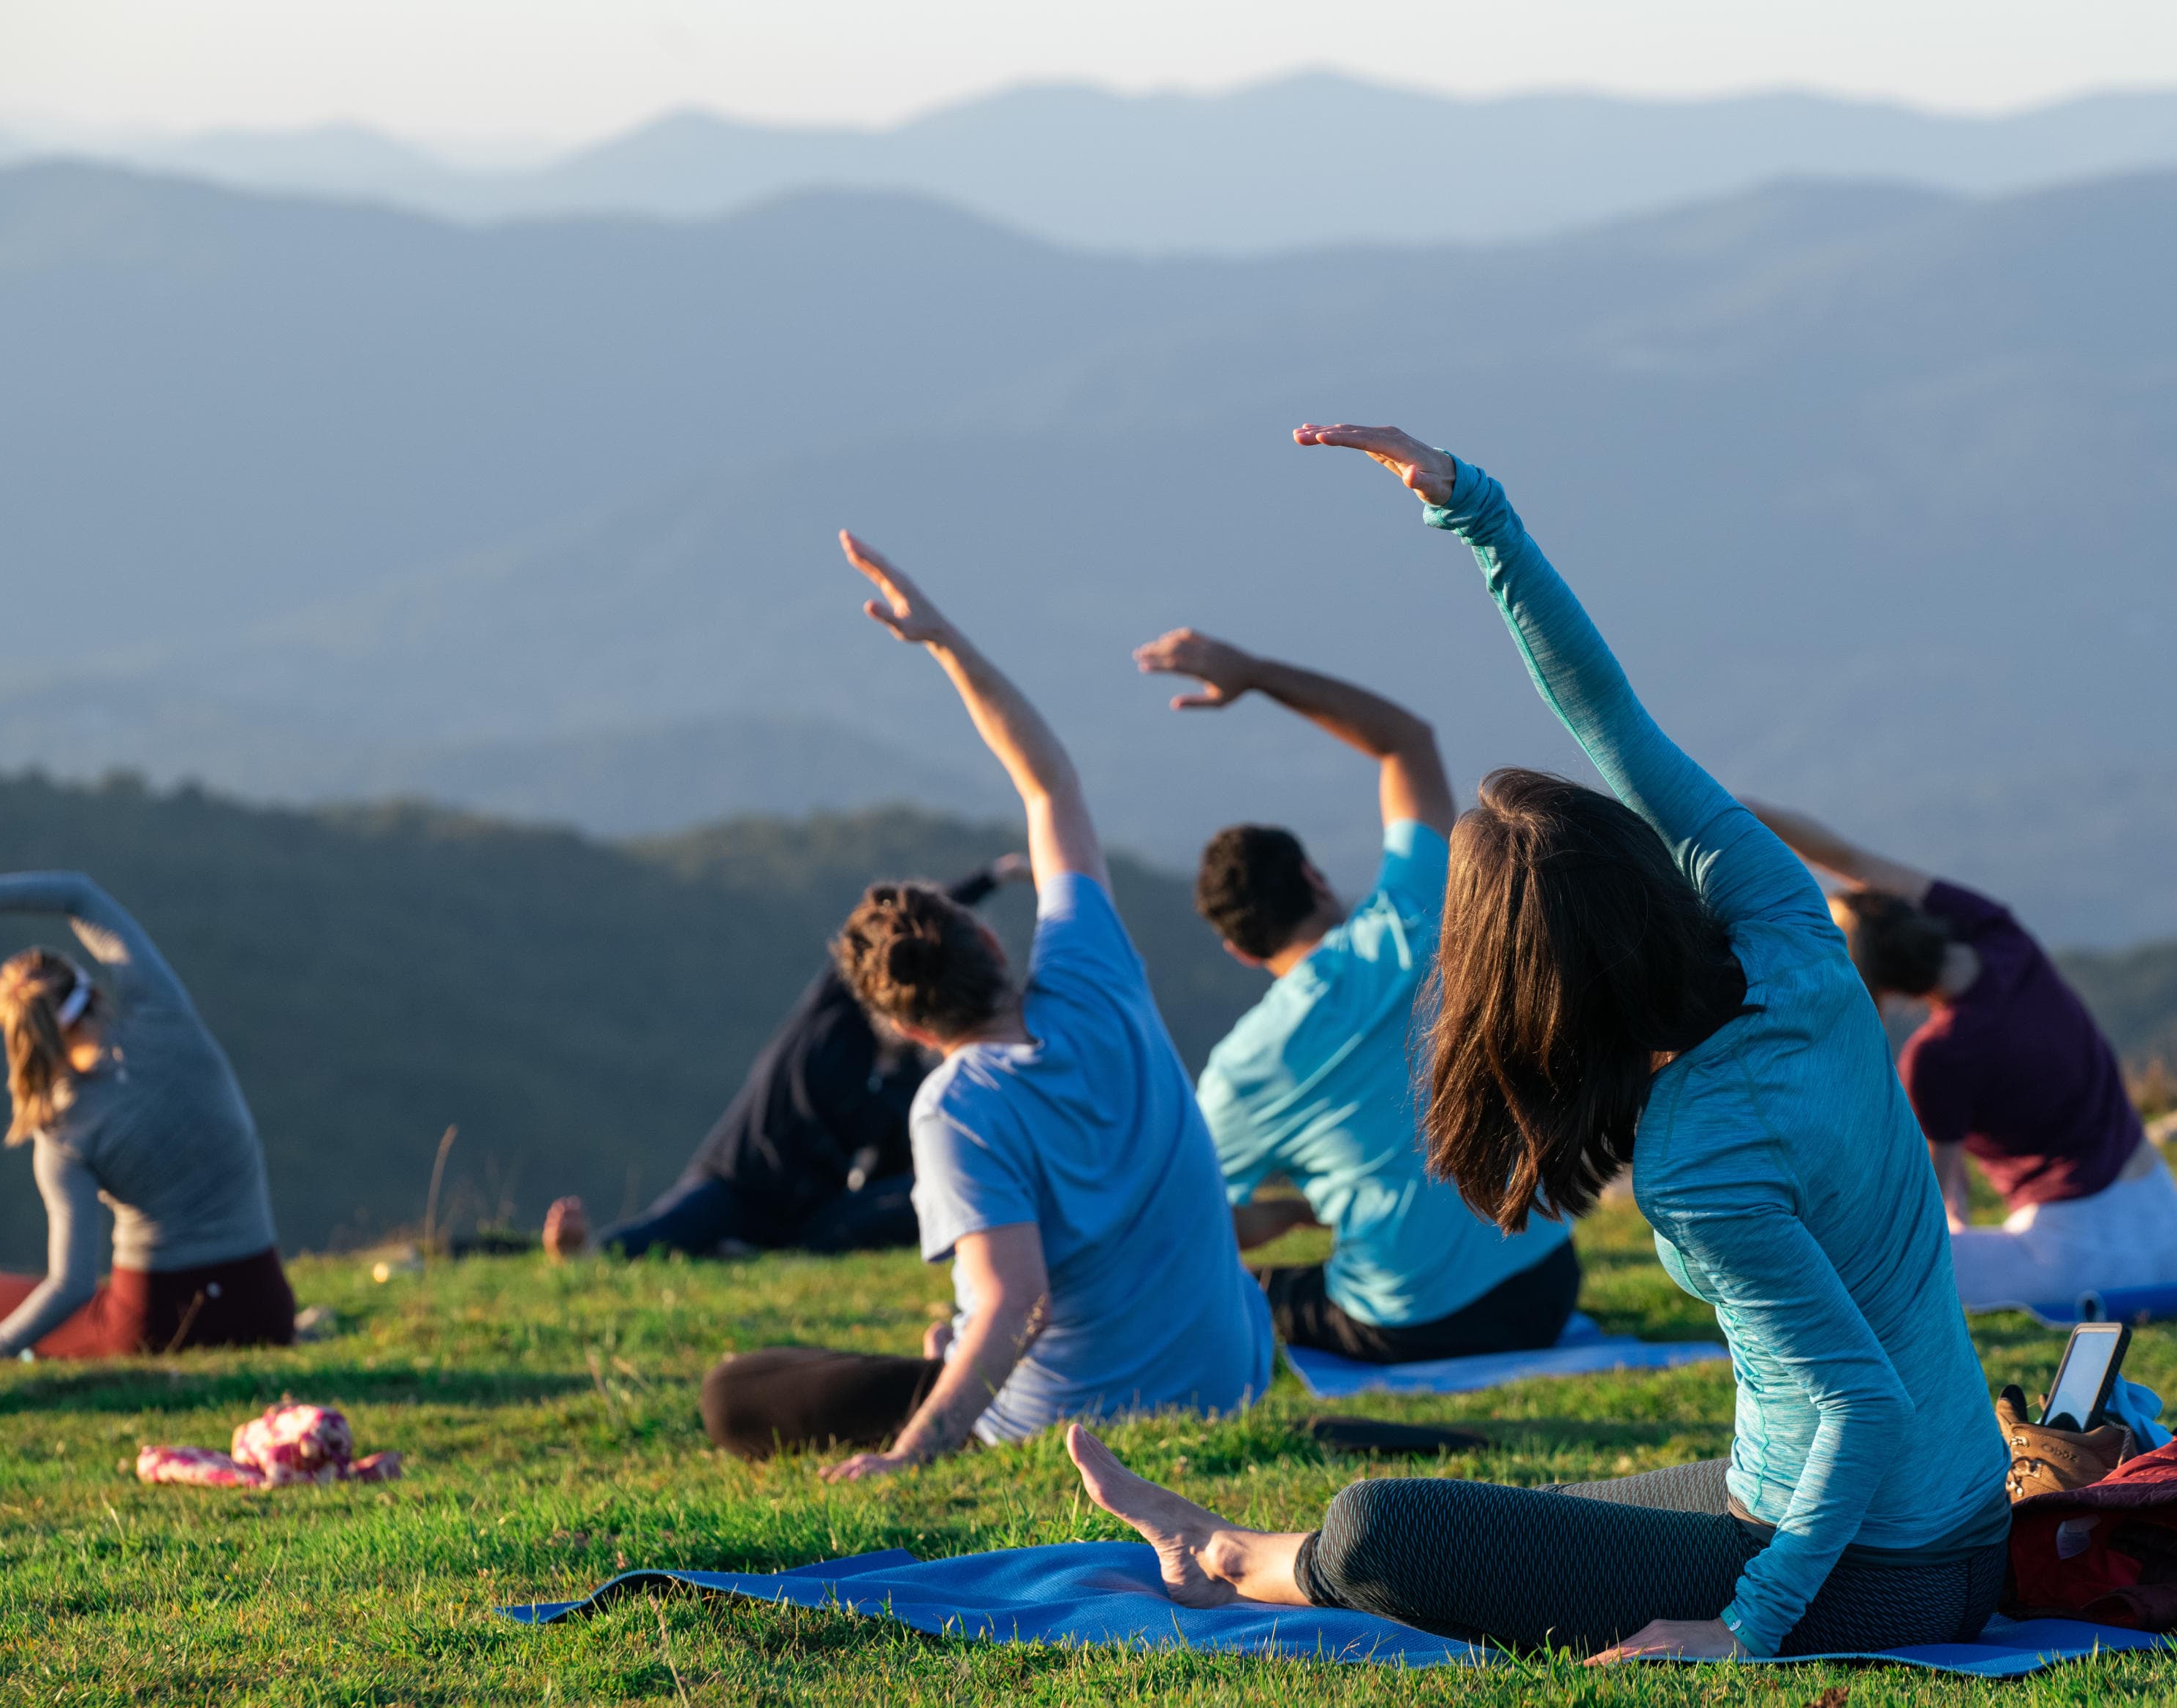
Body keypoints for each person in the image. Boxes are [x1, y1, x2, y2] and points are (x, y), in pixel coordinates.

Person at [1066, 424, 2010, 1667]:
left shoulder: (1704, 1157)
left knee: (1375, 1531)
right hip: (1898, 1504)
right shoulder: (1788, 928)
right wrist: (1477, 515)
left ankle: (1237, 1559)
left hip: (1886, 1569)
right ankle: (1247, 1551)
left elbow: (1863, 1404)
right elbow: (1607, 713)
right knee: (1542, 1525)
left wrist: (1746, 1629)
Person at [696, 532, 1273, 1473]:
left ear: (909, 1028)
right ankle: (947, 1354)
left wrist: (911, 1454)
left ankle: (943, 1384)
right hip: (1229, 1380)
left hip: (1085, 1420)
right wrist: (945, 642)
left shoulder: (960, 1103)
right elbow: (1050, 785)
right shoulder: (1092, 972)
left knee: (738, 1392)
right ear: (994, 943)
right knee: (943, 1329)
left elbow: (1017, 1302)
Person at [1134, 628, 1578, 1362]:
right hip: (1544, 1282)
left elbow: (1192, 1220)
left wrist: (1293, 1209)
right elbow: (1406, 741)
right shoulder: (1413, 912)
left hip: (1412, 1322)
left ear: (1239, 950)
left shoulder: (1242, 1068)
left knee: (1240, 1289)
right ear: (1314, 878)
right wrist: (1253, 671)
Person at [1739, 803, 2177, 1312]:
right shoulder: (2004, 938)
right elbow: (1847, 856)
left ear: (1878, 983)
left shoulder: (1939, 1056)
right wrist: (1725, 802)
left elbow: (1931, 1207)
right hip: (2169, 1229)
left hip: (2084, 1262)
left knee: (1865, 1261)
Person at [0, 873, 295, 1364]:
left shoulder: (63, 1128)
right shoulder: (164, 1011)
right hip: (266, 1309)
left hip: (156, 1326)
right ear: (89, 988)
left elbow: (71, 1285)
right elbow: (79, 895)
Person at [541, 852, 1030, 1263]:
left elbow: (892, 1181)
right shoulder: (833, 1017)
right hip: (738, 1183)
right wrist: (991, 878)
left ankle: (754, 1251)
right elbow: (900, 931)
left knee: (919, 1190)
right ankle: (593, 1253)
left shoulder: (909, 1089)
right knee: (676, 1226)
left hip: (812, 1216)